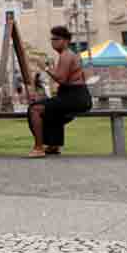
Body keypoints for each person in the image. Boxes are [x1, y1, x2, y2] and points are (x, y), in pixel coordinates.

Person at [27, 26, 92, 157]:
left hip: (75, 97)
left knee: (35, 109)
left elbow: (61, 79)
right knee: (51, 109)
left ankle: (39, 147)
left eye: (57, 39)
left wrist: (44, 67)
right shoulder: (69, 55)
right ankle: (53, 146)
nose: (53, 42)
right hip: (76, 95)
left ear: (66, 41)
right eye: (52, 39)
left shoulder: (66, 55)